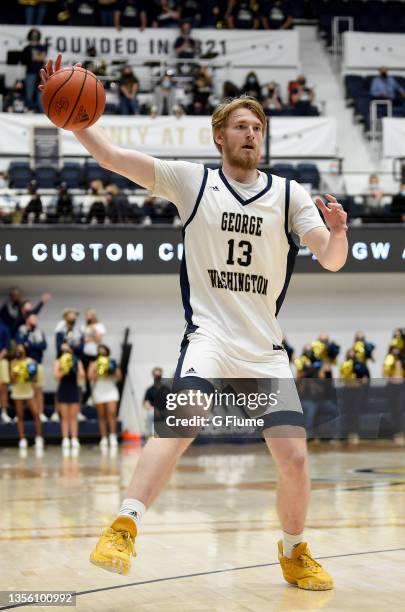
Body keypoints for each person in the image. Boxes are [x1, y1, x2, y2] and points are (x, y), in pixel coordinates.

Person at [41, 55, 348, 589]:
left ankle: (294, 550)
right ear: (219, 137)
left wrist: (338, 232)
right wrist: (76, 123)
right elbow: (113, 158)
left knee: (295, 458)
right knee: (181, 422)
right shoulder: (192, 183)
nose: (252, 135)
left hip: (263, 350)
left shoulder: (289, 194)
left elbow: (330, 257)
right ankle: (125, 524)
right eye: (241, 127)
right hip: (209, 338)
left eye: (258, 128)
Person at [10, 344, 43, 450]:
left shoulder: (31, 362)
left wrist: (28, 375)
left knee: (36, 413)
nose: (19, 352)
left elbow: (35, 379)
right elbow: (12, 381)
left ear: (25, 351)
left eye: (21, 350)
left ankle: (39, 437)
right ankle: (22, 439)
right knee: (20, 415)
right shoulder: (14, 363)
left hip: (28, 391)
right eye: (17, 350)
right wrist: (16, 373)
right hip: (17, 391)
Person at [88, 344, 122, 450]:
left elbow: (119, 376)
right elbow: (89, 377)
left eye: (104, 351)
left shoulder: (112, 362)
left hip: (110, 389)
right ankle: (103, 437)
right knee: (101, 415)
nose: (102, 353)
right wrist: (98, 371)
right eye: (99, 351)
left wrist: (111, 370)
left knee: (111, 412)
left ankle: (112, 435)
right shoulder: (94, 363)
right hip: (99, 389)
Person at [54, 342, 85, 453]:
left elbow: (82, 376)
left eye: (68, 349)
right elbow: (56, 376)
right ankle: (65, 438)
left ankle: (74, 438)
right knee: (64, 416)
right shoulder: (58, 361)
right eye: (63, 350)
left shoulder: (76, 361)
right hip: (63, 388)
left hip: (73, 388)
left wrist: (74, 367)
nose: (66, 352)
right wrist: (64, 369)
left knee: (73, 416)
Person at [16, 313, 48, 423]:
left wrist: (30, 345)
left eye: (36, 318)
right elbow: (20, 345)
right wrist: (30, 344)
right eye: (33, 318)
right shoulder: (22, 331)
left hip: (37, 363)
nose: (35, 320)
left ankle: (40, 412)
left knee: (38, 389)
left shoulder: (40, 332)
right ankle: (21, 413)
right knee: (26, 388)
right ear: (27, 320)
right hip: (25, 364)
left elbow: (43, 346)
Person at [80, 308, 106, 402]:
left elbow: (99, 339)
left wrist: (93, 331)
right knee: (87, 375)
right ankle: (89, 394)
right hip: (86, 353)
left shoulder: (99, 326)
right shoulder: (83, 327)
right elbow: (82, 340)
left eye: (89, 315)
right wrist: (89, 339)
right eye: (86, 315)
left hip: (96, 354)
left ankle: (96, 394)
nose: (87, 316)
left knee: (96, 374)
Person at [21, 28, 47, 112]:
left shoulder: (42, 47)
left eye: (36, 34)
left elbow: (41, 58)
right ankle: (28, 109)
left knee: (41, 92)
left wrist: (34, 56)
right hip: (30, 73)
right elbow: (24, 60)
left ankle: (42, 110)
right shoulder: (27, 48)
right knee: (29, 93)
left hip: (41, 74)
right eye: (33, 34)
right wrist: (35, 56)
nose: (34, 36)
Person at [383, 346, 405, 445]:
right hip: (391, 386)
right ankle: (395, 433)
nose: (396, 350)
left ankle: (400, 433)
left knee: (399, 409)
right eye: (394, 349)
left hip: (402, 386)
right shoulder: (388, 360)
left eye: (397, 349)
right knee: (393, 410)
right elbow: (384, 374)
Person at [143, 367, 164, 437]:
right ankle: (150, 435)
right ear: (153, 376)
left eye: (159, 376)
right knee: (150, 414)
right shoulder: (150, 390)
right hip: (153, 411)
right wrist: (152, 408)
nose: (157, 377)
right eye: (156, 375)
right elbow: (146, 403)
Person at [0, 319, 11, 424]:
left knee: (3, 388)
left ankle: (4, 412)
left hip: (1, 360)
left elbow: (6, 347)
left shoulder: (4, 327)